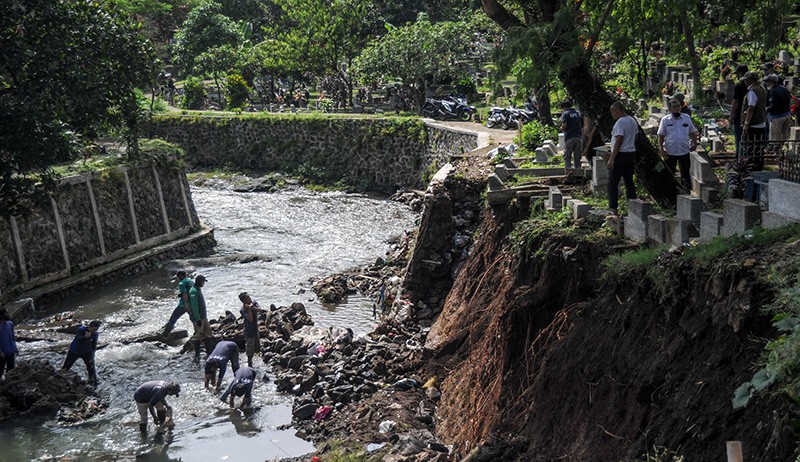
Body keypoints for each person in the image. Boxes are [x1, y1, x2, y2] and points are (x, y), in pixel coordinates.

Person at [658, 98, 698, 189]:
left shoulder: (686, 118)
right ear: (670, 109)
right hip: (670, 151)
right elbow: (661, 135)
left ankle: (687, 191)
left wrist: (694, 143)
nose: (677, 109)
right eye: (674, 107)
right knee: (670, 174)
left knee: (685, 173)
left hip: (684, 150)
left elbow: (692, 132)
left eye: (678, 106)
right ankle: (670, 192)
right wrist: (661, 149)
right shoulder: (665, 120)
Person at [607, 102, 638, 216]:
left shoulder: (620, 122)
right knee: (628, 181)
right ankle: (634, 208)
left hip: (621, 155)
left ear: (617, 111)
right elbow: (635, 136)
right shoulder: (632, 120)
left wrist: (612, 158)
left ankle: (614, 209)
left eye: (612, 112)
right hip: (630, 154)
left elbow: (619, 140)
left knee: (612, 183)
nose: (612, 115)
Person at [741, 71, 768, 171]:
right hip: (761, 122)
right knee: (759, 146)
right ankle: (759, 165)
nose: (745, 82)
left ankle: (751, 166)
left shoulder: (752, 91)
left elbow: (751, 107)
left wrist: (746, 124)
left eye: (746, 80)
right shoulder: (762, 88)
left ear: (751, 80)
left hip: (754, 123)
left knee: (751, 146)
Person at [62, 320, 101, 386]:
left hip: (86, 352)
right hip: (74, 351)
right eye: (94, 329)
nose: (95, 331)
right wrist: (85, 337)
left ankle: (92, 381)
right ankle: (61, 377)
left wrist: (93, 354)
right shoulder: (81, 330)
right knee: (67, 366)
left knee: (90, 367)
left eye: (97, 329)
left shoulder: (95, 334)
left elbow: (94, 345)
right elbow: (79, 338)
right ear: (91, 327)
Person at [764, 74, 792, 152]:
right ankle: (783, 152)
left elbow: (774, 106)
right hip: (787, 115)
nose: (766, 84)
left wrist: (766, 109)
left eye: (768, 82)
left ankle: (777, 154)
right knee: (784, 138)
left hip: (776, 118)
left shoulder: (773, 92)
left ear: (773, 82)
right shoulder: (784, 89)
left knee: (775, 139)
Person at [161, 270, 193, 337]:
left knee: (173, 319)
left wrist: (185, 304)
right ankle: (199, 332)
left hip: (183, 305)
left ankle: (164, 336)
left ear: (181, 276)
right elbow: (190, 292)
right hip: (192, 304)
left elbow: (185, 294)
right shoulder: (190, 281)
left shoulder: (182, 283)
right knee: (194, 319)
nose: (178, 278)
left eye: (178, 277)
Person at [189, 275, 214, 360]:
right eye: (203, 282)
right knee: (198, 335)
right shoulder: (193, 291)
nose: (204, 284)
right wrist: (198, 319)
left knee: (208, 333)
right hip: (199, 318)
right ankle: (197, 355)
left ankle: (209, 352)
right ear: (200, 281)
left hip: (204, 317)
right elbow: (194, 307)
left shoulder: (198, 289)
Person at [238, 292, 264, 367]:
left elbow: (260, 309)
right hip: (249, 332)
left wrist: (252, 308)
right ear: (244, 301)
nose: (250, 298)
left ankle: (258, 364)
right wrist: (249, 310)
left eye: (249, 297)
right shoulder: (242, 310)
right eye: (247, 298)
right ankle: (250, 365)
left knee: (257, 348)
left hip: (255, 330)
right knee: (250, 352)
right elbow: (250, 319)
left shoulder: (254, 303)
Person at [729, 64, 749, 159]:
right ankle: (746, 157)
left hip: (739, 114)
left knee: (739, 137)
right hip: (749, 114)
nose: (736, 75)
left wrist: (731, 115)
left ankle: (739, 157)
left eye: (737, 73)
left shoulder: (739, 85)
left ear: (740, 73)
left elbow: (735, 101)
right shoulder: (752, 84)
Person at [560, 100, 584, 173]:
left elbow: (564, 125)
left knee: (567, 156)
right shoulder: (578, 113)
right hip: (579, 137)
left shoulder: (565, 113)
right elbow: (582, 125)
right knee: (577, 157)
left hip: (569, 137)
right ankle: (578, 172)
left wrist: (561, 129)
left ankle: (568, 172)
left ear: (564, 107)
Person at [0, 308, 18, 379]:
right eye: (6, 313)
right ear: (1, 315)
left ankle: (9, 385)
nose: (8, 314)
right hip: (2, 354)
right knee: (0, 370)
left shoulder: (10, 324)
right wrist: (0, 352)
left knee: (11, 370)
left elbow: (13, 337)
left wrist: (15, 348)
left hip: (11, 351)